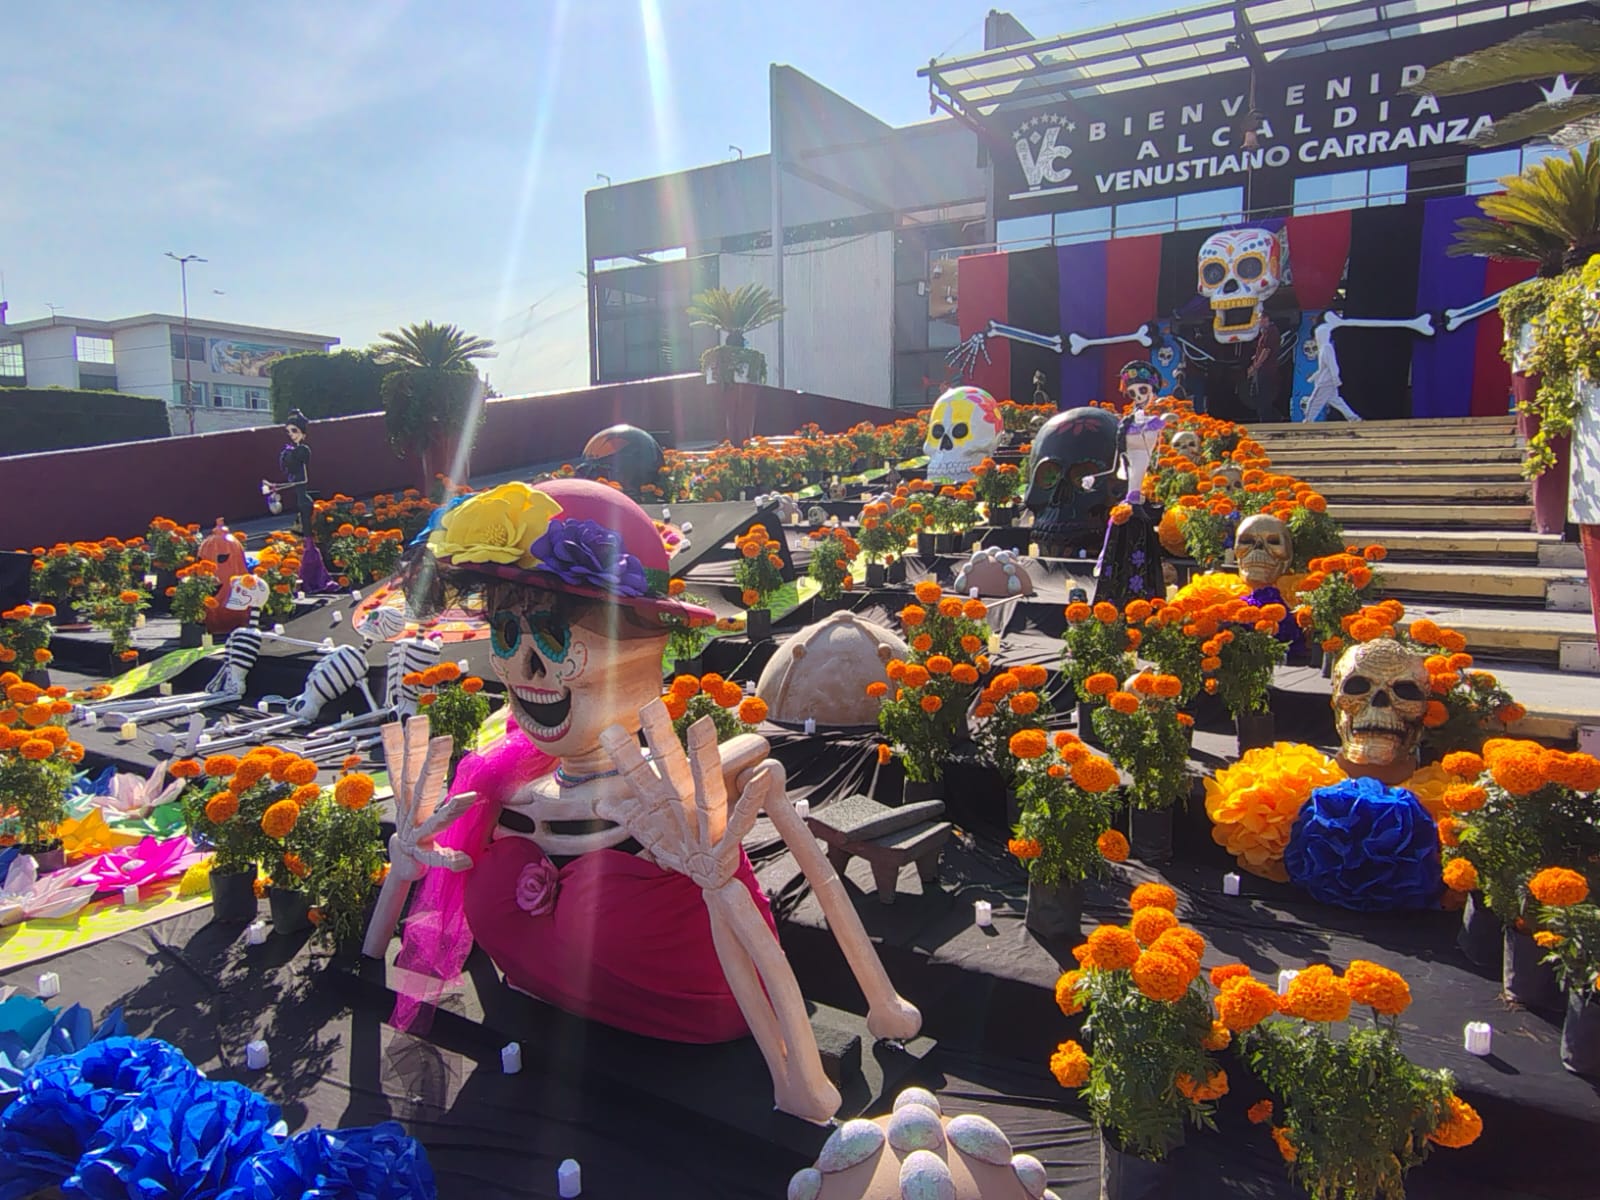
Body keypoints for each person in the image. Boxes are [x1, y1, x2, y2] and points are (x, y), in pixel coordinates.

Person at [1247, 319, 1283, 423]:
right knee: (1256, 393)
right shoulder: (1265, 332)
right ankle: (1274, 415)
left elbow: (1266, 350)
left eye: (1260, 319)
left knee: (1263, 395)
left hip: (1266, 368)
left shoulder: (1272, 332)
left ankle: (1267, 419)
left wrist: (1256, 366)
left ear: (1266, 319)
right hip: (1262, 367)